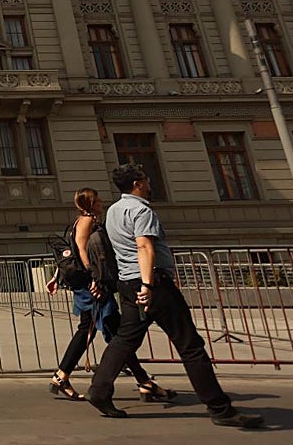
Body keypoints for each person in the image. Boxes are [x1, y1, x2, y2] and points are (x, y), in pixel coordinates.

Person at [85, 164, 263, 428]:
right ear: (137, 183)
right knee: (190, 346)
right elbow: (144, 246)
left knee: (124, 339)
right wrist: (148, 284)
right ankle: (220, 409)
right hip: (153, 284)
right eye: (145, 179)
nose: (149, 183)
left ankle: (99, 390)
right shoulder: (141, 210)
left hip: (127, 282)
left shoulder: (113, 211)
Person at [45, 189, 171, 403]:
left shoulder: (83, 221)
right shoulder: (86, 222)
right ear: (91, 203)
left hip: (91, 285)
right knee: (115, 335)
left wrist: (56, 276)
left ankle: (63, 375)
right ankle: (142, 382)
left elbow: (73, 251)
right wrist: (95, 278)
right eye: (98, 200)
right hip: (92, 286)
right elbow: (82, 253)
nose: (102, 203)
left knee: (106, 332)